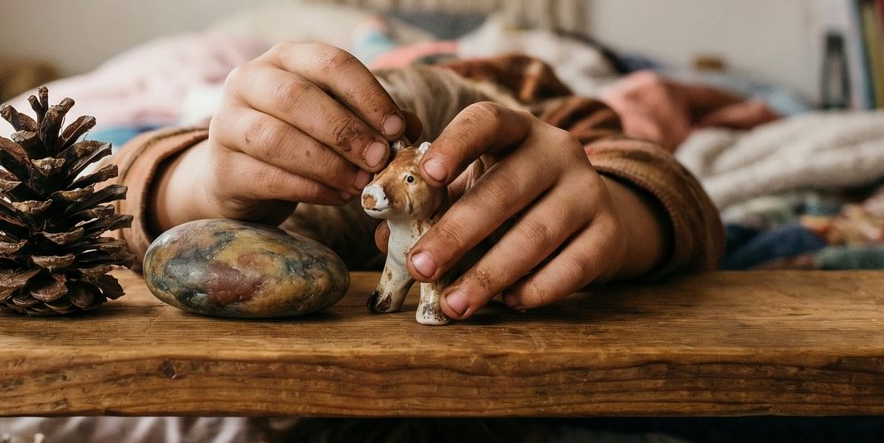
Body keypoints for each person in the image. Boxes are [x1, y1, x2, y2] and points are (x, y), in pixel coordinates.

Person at [112, 42, 723, 318]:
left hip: (460, 74)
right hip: (509, 84)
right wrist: (620, 210)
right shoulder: (554, 114)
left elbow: (122, 178)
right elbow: (662, 180)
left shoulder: (265, 144)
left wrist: (193, 186)